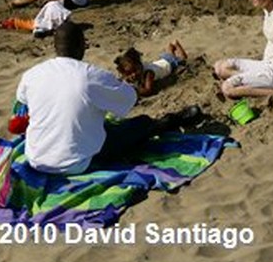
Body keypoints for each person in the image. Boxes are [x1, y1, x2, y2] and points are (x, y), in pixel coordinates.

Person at [13, 22, 202, 174]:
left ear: (55, 46)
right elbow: (130, 100)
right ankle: (172, 121)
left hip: (36, 159)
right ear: (82, 45)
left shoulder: (32, 74)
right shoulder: (92, 75)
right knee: (141, 124)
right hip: (77, 162)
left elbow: (22, 102)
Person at [114, 40, 188, 97]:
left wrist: (135, 90)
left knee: (183, 59)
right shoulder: (133, 72)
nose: (133, 75)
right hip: (160, 63)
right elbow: (122, 80)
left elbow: (148, 90)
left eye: (135, 71)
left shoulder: (148, 73)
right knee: (169, 55)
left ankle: (176, 44)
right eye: (128, 74)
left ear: (140, 66)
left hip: (169, 64)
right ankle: (171, 47)